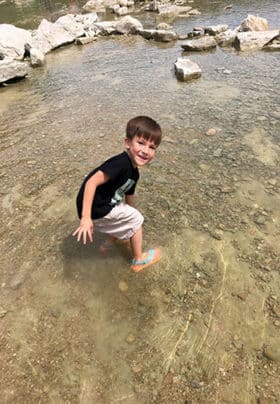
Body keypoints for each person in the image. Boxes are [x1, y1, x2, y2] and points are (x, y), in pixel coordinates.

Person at [72, 116, 162, 272]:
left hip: (100, 205)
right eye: (140, 143)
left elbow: (129, 196)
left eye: (152, 147)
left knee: (128, 214)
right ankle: (138, 261)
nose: (145, 151)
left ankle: (109, 242)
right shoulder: (120, 163)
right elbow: (91, 182)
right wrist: (86, 218)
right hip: (94, 208)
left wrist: (129, 217)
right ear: (127, 142)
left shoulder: (134, 174)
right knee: (137, 219)